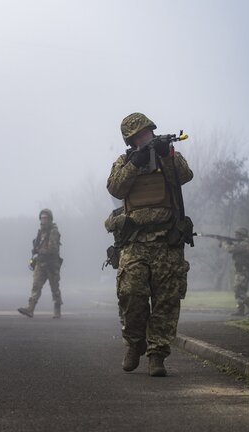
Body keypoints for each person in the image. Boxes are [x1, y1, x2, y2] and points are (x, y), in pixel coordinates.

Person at [107, 113, 193, 377]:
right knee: (131, 295)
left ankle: (157, 355)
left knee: (166, 301)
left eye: (145, 133)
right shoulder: (124, 162)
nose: (143, 138)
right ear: (130, 141)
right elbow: (115, 189)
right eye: (137, 137)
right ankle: (135, 344)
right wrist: (136, 163)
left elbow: (184, 176)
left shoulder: (169, 153)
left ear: (152, 131)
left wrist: (165, 154)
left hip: (167, 241)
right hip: (135, 242)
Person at [18, 208, 63, 319]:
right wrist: (35, 250)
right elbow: (37, 246)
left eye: (45, 218)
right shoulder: (41, 232)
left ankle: (57, 310)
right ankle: (30, 309)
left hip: (52, 265)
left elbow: (52, 249)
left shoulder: (53, 232)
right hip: (41, 263)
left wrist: (40, 250)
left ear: (50, 219)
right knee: (36, 286)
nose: (43, 220)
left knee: (55, 289)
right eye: (42, 218)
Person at [223, 227, 249, 316]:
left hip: (243, 271)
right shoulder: (245, 244)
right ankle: (240, 310)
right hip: (242, 270)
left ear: (242, 235)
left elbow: (230, 249)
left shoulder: (245, 244)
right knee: (240, 290)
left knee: (237, 289)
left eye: (237, 234)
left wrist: (224, 242)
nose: (236, 236)